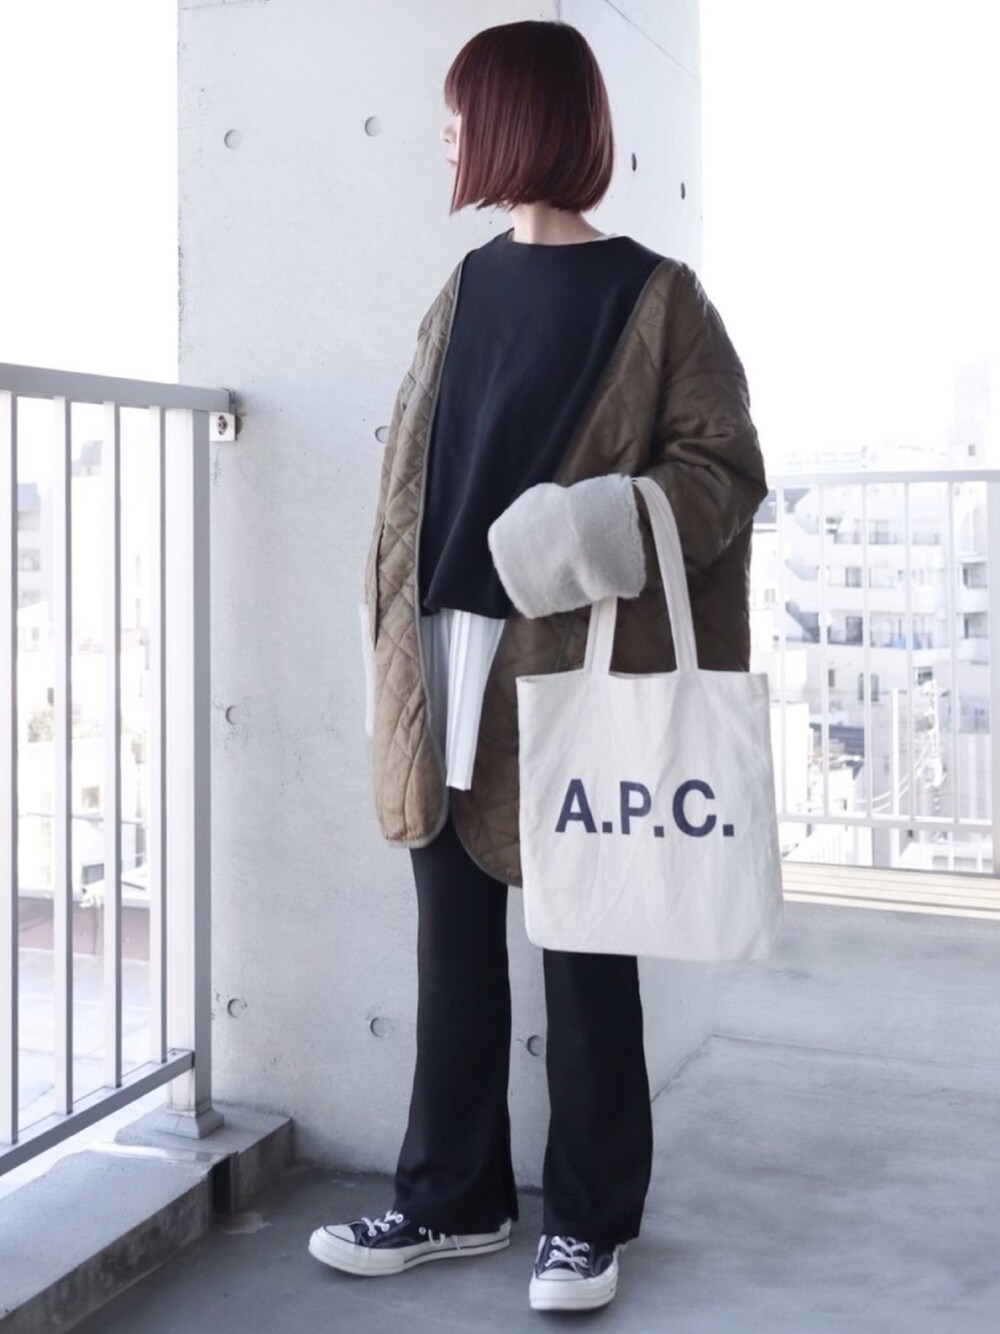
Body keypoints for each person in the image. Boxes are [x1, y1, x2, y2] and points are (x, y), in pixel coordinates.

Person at [308, 19, 768, 1315]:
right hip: (446, 657)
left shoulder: (660, 296)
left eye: (461, 114)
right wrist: (385, 631)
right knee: (451, 949)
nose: (445, 136)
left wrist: (592, 526)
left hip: (572, 669)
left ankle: (587, 1222)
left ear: (519, 121)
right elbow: (416, 480)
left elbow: (724, 471)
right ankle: (451, 1199)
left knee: (586, 951)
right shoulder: (462, 287)